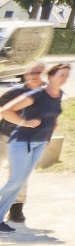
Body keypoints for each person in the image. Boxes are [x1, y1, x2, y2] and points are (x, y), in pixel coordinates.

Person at [0, 62, 70, 232]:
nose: (65, 78)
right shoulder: (33, 93)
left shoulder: (57, 94)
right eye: (62, 74)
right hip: (16, 139)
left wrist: (47, 140)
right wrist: (25, 122)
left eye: (67, 75)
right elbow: (6, 110)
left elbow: (53, 121)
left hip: (38, 142)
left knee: (20, 180)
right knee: (16, 180)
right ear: (51, 76)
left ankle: (12, 212)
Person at [0, 62, 47, 223]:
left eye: (38, 72)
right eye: (31, 72)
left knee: (20, 175)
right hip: (4, 136)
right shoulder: (15, 92)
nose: (34, 75)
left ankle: (16, 208)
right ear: (25, 75)